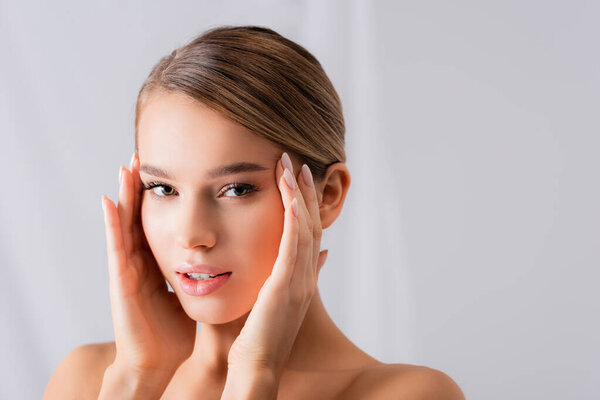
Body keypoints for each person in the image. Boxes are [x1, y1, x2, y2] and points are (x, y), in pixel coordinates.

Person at [44, 25, 465, 399]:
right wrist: (138, 379)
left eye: (237, 189)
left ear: (328, 195)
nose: (192, 235)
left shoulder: (410, 395)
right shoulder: (89, 380)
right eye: (163, 188)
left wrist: (255, 375)